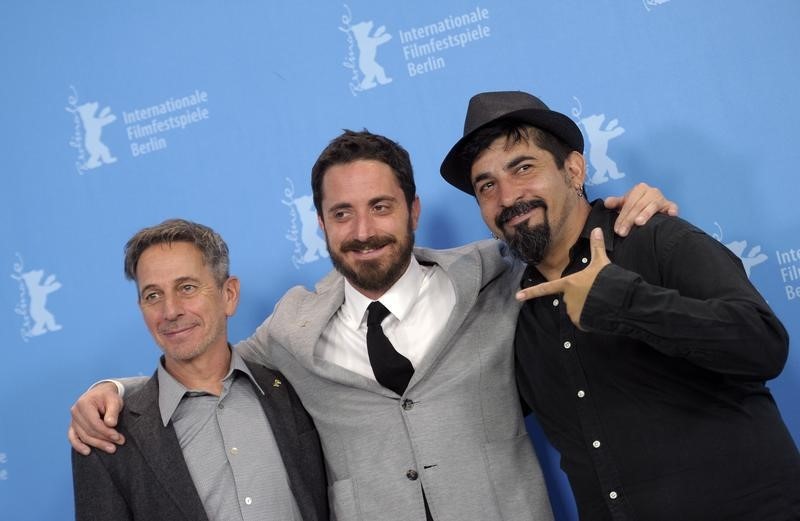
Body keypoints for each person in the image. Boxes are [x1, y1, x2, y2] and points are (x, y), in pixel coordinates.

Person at [69, 131, 673, 521]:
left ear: (412, 211)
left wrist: (622, 208)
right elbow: (206, 355)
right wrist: (117, 391)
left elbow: (559, 238)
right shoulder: (293, 327)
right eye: (342, 214)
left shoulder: (495, 276)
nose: (363, 232)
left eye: (380, 207)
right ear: (323, 225)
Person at [440, 90, 800, 521]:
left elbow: (763, 345)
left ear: (573, 169)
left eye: (523, 167)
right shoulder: (512, 311)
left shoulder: (654, 237)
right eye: (486, 186)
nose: (507, 196)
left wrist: (620, 298)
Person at [71, 219, 328, 521]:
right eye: (153, 295)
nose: (170, 311)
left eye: (187, 288)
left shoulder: (293, 387)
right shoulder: (105, 436)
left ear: (228, 295)